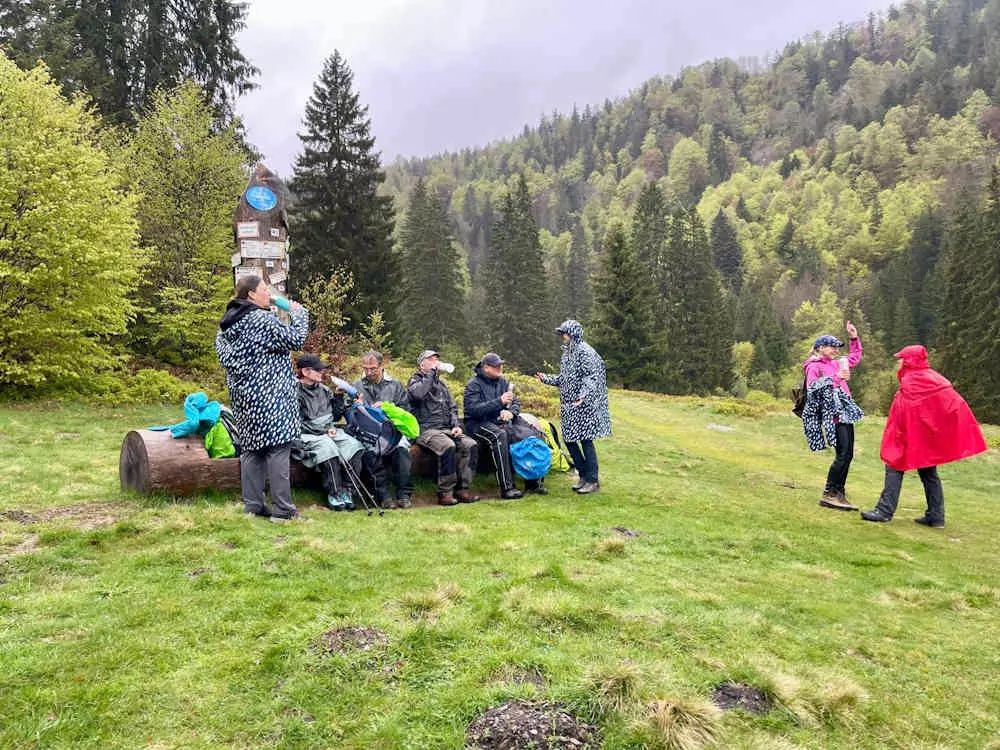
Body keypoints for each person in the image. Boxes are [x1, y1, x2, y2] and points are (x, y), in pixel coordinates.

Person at [861, 345, 987, 527]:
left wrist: (900, 438)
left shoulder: (910, 382)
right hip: (926, 437)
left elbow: (905, 414)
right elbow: (952, 405)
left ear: (909, 361)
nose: (899, 362)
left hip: (910, 436)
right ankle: (936, 516)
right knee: (929, 472)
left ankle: (884, 510)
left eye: (902, 359)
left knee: (894, 466)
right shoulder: (935, 378)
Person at [215, 275, 308, 522]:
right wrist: (298, 313)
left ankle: (254, 506)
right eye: (265, 289)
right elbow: (295, 339)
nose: (270, 294)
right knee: (278, 448)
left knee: (252, 451)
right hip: (271, 396)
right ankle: (283, 510)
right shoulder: (260, 319)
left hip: (244, 398)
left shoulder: (226, 327)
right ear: (251, 295)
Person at [535, 320, 611, 494]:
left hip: (583, 404)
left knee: (586, 440)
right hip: (569, 404)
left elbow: (591, 377)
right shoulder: (567, 353)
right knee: (569, 439)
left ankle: (592, 480)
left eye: (564, 333)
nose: (562, 337)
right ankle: (583, 476)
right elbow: (564, 379)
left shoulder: (585, 352)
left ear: (573, 334)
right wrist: (545, 378)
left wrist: (583, 396)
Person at [464, 352, 547, 499]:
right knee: (500, 435)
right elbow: (473, 410)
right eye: (497, 366)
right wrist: (499, 402)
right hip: (477, 423)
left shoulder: (503, 382)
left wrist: (511, 413)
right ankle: (507, 487)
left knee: (531, 434)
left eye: (501, 365)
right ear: (486, 368)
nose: (500, 368)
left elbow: (515, 402)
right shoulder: (473, 384)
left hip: (500, 422)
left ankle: (533, 483)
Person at [801, 322, 863, 512]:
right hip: (832, 415)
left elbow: (854, 358)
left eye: (837, 346)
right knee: (842, 454)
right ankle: (829, 493)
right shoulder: (813, 367)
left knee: (848, 454)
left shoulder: (836, 363)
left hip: (845, 413)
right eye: (832, 346)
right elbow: (814, 389)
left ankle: (839, 493)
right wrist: (838, 378)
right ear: (820, 348)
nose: (836, 349)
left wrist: (854, 338)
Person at [294, 354, 366, 512]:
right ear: (305, 371)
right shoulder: (293, 391)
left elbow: (334, 416)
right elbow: (295, 423)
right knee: (327, 447)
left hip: (329, 431)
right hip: (306, 435)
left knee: (355, 446)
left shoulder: (325, 390)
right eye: (318, 370)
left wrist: (339, 395)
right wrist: (324, 431)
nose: (322, 373)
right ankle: (334, 493)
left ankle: (348, 491)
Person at [407, 350, 480, 506]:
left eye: (437, 359)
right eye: (431, 359)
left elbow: (452, 408)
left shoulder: (442, 385)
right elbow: (419, 394)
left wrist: (456, 426)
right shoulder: (415, 381)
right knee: (448, 446)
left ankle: (462, 490)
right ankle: (445, 494)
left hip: (445, 429)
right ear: (422, 364)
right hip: (425, 429)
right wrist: (432, 373)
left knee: (470, 445)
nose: (435, 362)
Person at [352, 350, 414, 510]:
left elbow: (405, 411)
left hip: (393, 431)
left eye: (373, 368)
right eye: (365, 368)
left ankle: (404, 495)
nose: (368, 372)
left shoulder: (395, 384)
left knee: (402, 452)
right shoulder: (357, 385)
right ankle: (383, 496)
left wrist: (387, 408)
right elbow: (350, 414)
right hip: (368, 433)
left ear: (382, 366)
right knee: (370, 454)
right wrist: (356, 406)